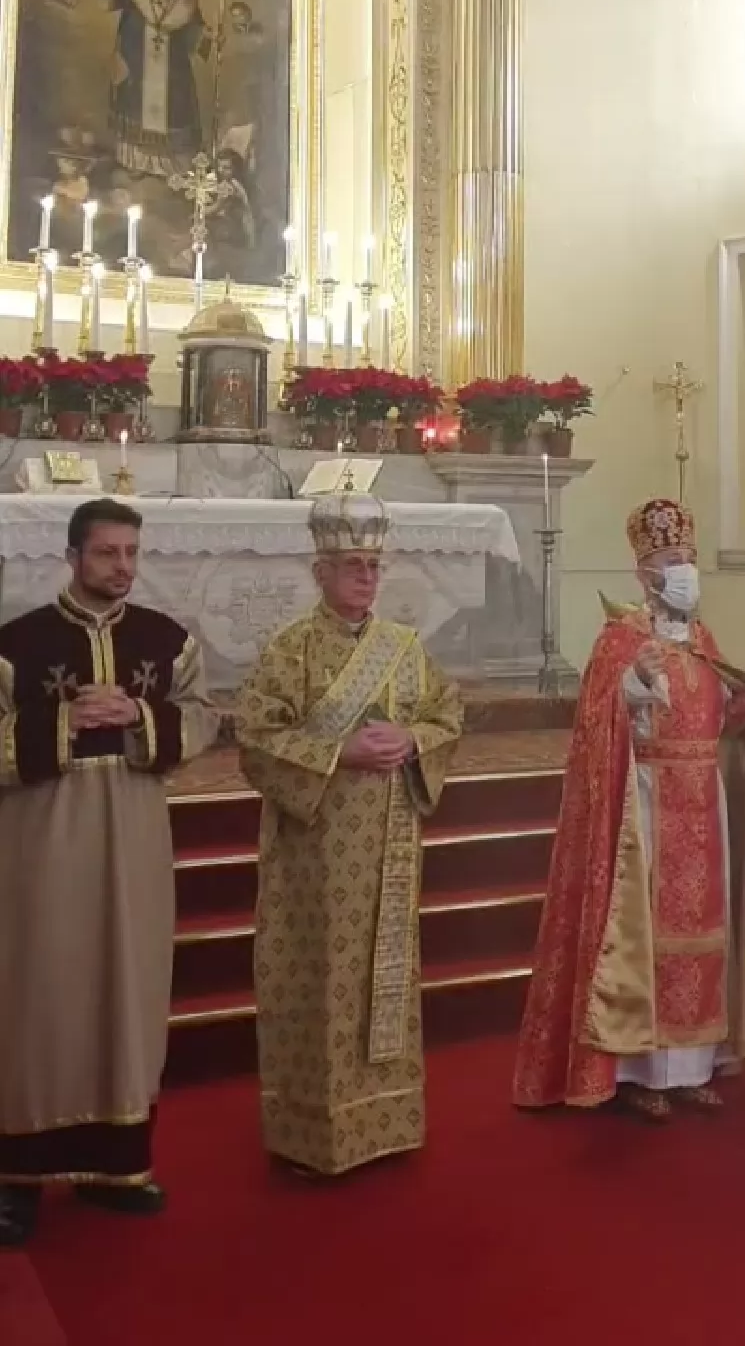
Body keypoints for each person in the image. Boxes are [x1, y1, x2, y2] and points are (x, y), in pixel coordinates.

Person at [513, 498, 745, 1118]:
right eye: (673, 559)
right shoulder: (621, 639)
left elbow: (723, 721)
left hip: (703, 798)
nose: (685, 570)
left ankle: (693, 1063)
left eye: (690, 558)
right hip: (646, 803)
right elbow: (597, 723)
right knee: (647, 933)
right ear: (645, 571)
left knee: (703, 928)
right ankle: (639, 1069)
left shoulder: (702, 639)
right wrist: (634, 684)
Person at [0, 499, 215, 1247]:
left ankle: (115, 1164)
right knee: (40, 995)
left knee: (127, 988)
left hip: (134, 841)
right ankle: (17, 1175)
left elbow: (202, 716)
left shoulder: (166, 639)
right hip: (43, 845)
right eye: (106, 553)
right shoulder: (17, 644)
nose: (122, 567)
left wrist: (138, 718)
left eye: (131, 552)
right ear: (71, 557)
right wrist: (65, 721)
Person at [237, 497, 464, 1176]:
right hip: (315, 852)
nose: (366, 577)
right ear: (320, 571)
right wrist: (340, 753)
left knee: (381, 976)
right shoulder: (290, 649)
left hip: (389, 844)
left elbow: (447, 713)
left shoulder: (404, 648)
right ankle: (312, 1133)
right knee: (319, 978)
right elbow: (255, 738)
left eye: (373, 565)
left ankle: (384, 1121)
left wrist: (413, 739)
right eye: (351, 565)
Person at [96, 0, 209, 175]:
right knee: (134, 104)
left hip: (173, 68)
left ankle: (170, 168)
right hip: (136, 60)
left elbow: (195, 28)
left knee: (174, 107)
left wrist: (209, 38)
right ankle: (135, 163)